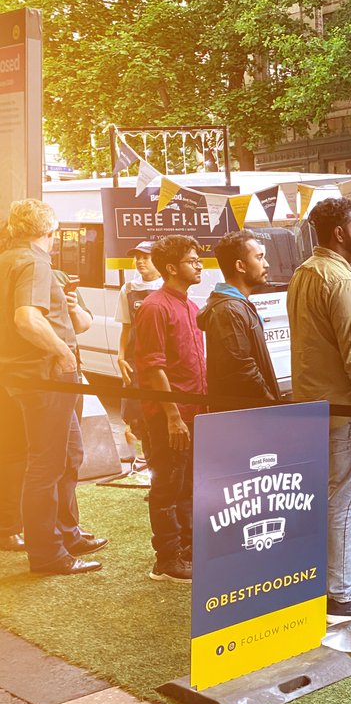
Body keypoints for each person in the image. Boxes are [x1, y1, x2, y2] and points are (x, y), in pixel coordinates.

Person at [287, 197, 351, 624]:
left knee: (324, 497)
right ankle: (342, 597)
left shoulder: (302, 274)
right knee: (344, 501)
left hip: (311, 406)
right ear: (339, 234)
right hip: (345, 410)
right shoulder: (341, 281)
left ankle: (325, 587)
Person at [0, 199, 105, 575]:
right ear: (51, 231)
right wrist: (62, 352)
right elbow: (26, 319)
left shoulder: (9, 258)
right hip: (44, 377)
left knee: (66, 455)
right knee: (46, 467)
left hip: (28, 377)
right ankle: (48, 554)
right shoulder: (33, 261)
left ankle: (66, 533)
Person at [133, 234, 206, 583]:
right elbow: (152, 367)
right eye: (193, 260)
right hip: (168, 419)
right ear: (172, 267)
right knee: (167, 488)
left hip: (194, 416)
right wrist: (173, 417)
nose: (200, 265)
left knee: (188, 486)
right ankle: (166, 560)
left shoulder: (191, 306)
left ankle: (187, 552)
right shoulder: (154, 306)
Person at [198, 230, 281, 402]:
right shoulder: (229, 310)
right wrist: (270, 402)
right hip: (247, 418)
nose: (266, 264)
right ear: (240, 266)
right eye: (259, 258)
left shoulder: (236, 305)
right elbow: (241, 370)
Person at [116, 240, 162, 479]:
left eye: (146, 257)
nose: (141, 261)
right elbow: (126, 327)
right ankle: (145, 465)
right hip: (134, 363)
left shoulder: (167, 286)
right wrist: (121, 356)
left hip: (159, 363)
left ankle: (159, 468)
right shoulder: (128, 289)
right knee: (136, 416)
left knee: (159, 414)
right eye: (138, 258)